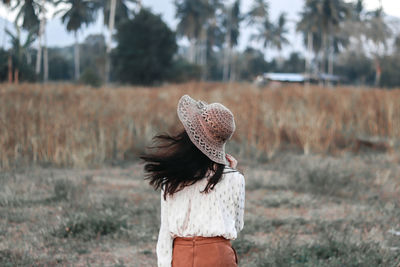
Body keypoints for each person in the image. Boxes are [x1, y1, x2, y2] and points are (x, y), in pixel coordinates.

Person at [141, 94, 245, 267]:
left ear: (190, 136)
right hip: (220, 257)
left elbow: (165, 231)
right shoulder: (235, 179)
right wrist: (230, 171)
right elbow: (238, 225)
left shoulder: (172, 179)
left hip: (183, 257)